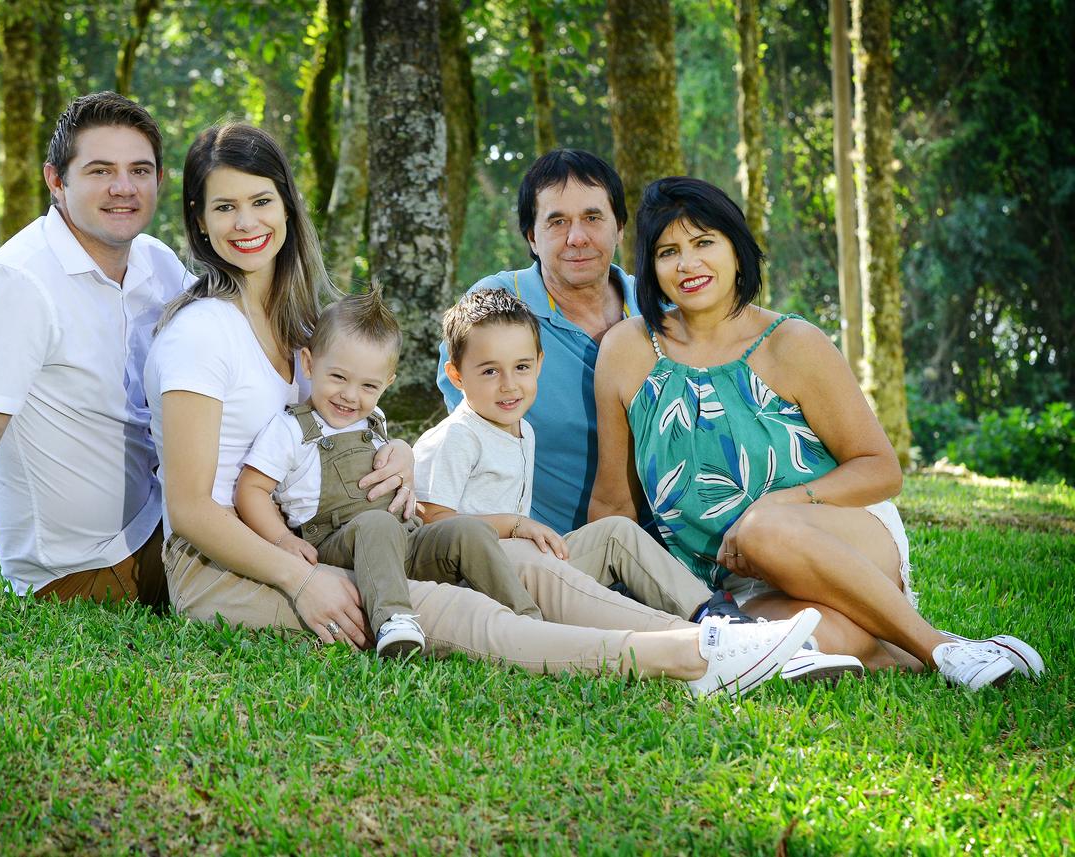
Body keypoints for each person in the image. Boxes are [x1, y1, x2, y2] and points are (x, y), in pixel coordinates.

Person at [144, 122, 825, 699]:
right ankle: (687, 660)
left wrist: (398, 451)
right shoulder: (202, 333)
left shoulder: (302, 327)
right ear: (198, 221)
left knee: (522, 562)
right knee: (456, 605)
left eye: (260, 200)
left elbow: (341, 423)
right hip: (230, 568)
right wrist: (303, 578)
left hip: (336, 535)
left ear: (287, 207)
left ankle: (716, 631)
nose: (246, 223)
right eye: (224, 207)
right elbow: (193, 509)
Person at [590, 175, 1045, 689]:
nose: (687, 264)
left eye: (703, 242)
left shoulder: (792, 343)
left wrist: (779, 506)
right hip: (729, 582)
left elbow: (879, 468)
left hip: (838, 536)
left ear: (736, 250)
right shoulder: (628, 350)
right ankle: (907, 653)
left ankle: (944, 651)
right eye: (668, 251)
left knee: (766, 531)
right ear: (650, 268)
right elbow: (613, 501)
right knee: (786, 638)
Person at [416, 286, 864, 683]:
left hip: (520, 560)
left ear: (540, 365)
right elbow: (437, 525)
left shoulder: (521, 429)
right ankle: (701, 644)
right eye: (489, 371)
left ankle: (720, 616)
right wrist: (515, 525)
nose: (509, 385)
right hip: (473, 574)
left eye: (521, 367)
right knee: (539, 557)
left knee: (618, 533)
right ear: (457, 376)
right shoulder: (459, 436)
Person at [0, 92, 190, 615]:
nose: (124, 188)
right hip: (90, 568)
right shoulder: (17, 283)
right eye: (100, 170)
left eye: (139, 170)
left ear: (159, 181)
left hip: (167, 520)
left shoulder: (157, 262)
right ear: (56, 181)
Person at [235, 286, 542, 659]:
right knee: (375, 524)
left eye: (368, 385)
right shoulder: (291, 431)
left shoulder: (373, 421)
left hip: (404, 542)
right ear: (309, 363)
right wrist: (282, 541)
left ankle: (528, 619)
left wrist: (401, 450)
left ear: (387, 385)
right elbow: (250, 489)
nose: (351, 396)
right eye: (338, 377)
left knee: (469, 529)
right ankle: (394, 622)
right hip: (337, 545)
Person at [437, 149, 638, 536]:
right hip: (544, 546)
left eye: (593, 218)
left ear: (619, 228)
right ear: (532, 236)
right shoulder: (495, 308)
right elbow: (470, 434)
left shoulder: (658, 305)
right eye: (557, 222)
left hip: (672, 537)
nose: (577, 238)